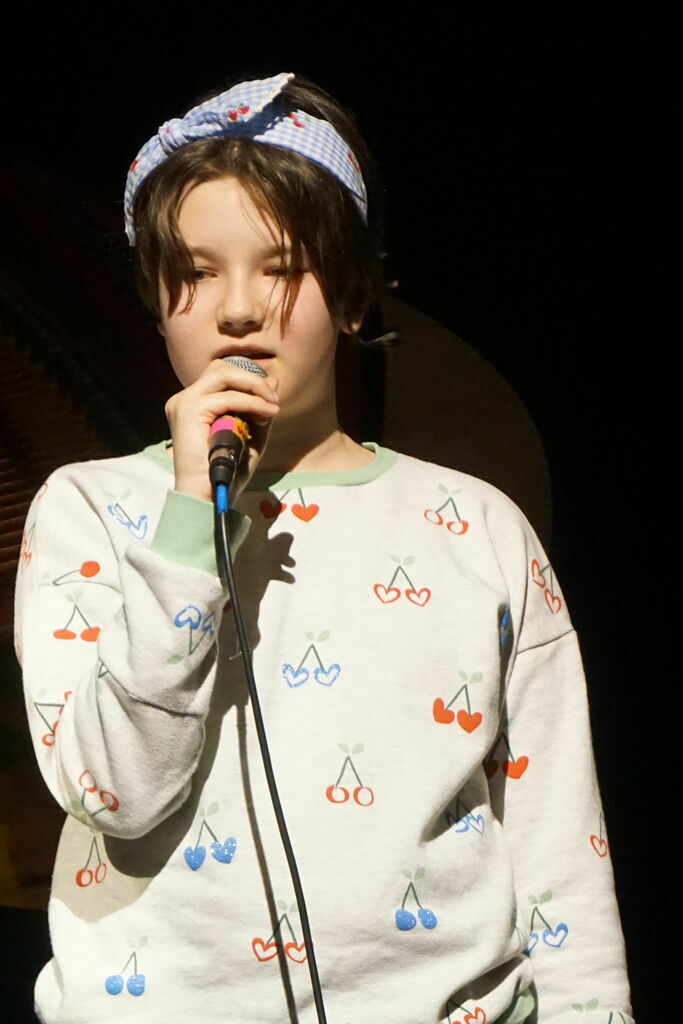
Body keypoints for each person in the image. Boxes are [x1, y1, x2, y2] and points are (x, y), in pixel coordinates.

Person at [13, 70, 634, 1024]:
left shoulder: (474, 527)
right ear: (155, 300)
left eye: (280, 266)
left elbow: (556, 840)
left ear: (350, 294)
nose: (236, 309)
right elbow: (117, 791)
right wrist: (189, 524)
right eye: (196, 272)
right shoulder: (88, 509)